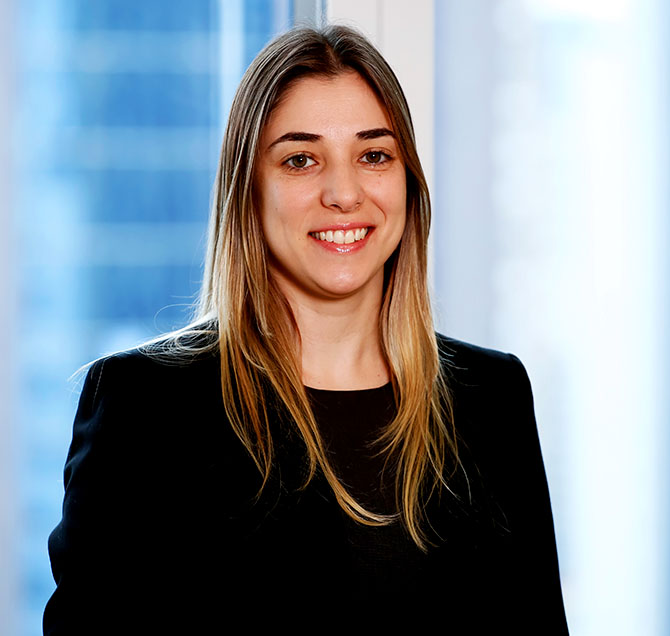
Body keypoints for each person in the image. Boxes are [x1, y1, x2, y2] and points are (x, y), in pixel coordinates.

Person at [44, 25, 568, 634]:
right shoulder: (145, 407)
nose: (344, 193)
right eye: (300, 159)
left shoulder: (490, 397)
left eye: (374, 154)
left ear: (407, 182)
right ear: (250, 191)